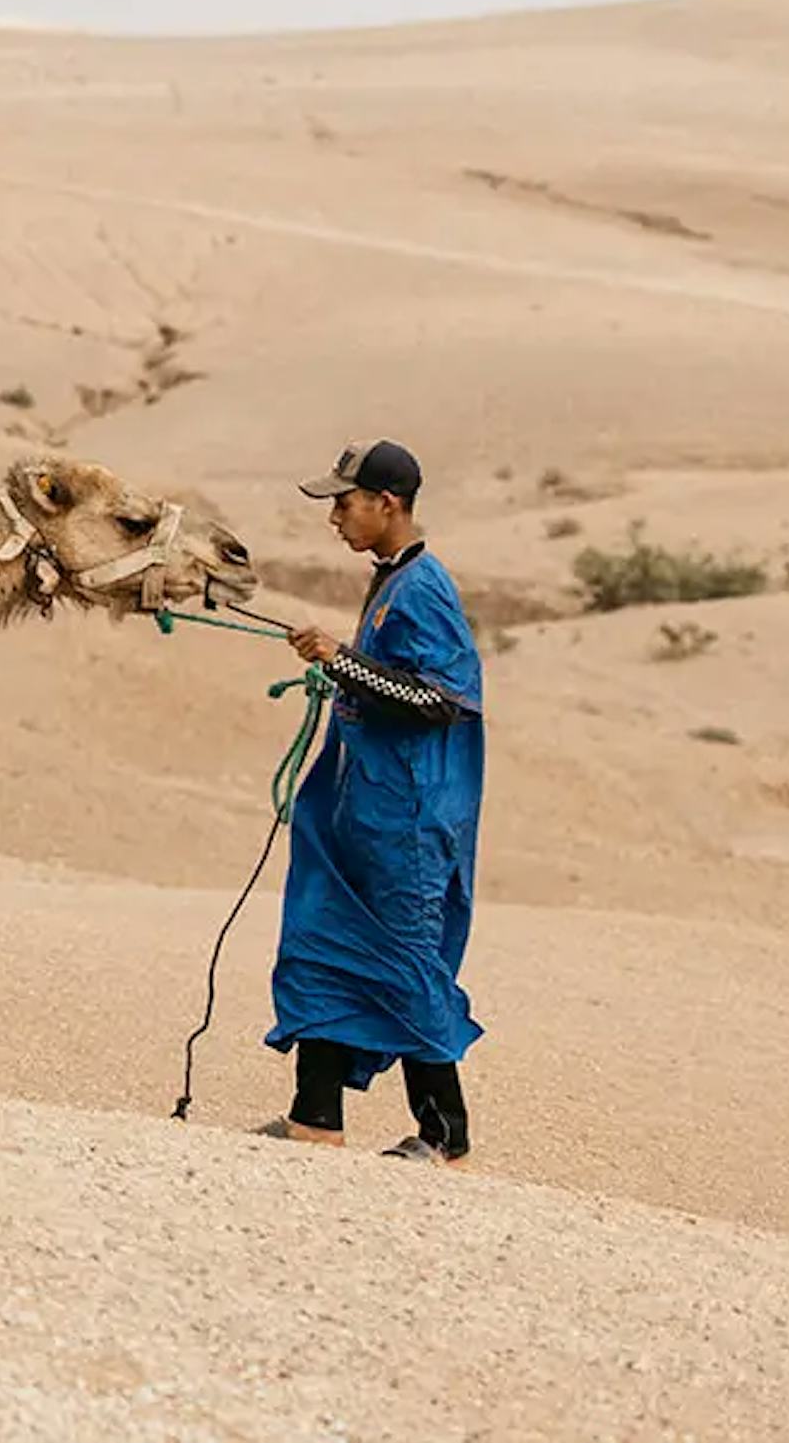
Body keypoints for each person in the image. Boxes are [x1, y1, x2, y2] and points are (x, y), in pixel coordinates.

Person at [257, 440, 486, 1163]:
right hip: (366, 814)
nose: (334, 517)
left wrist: (344, 661)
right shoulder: (390, 579)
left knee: (405, 963)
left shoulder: (424, 588)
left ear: (387, 503)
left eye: (344, 501)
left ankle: (445, 1136)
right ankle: (314, 1114)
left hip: (409, 825)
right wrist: (342, 665)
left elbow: (440, 700)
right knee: (323, 939)